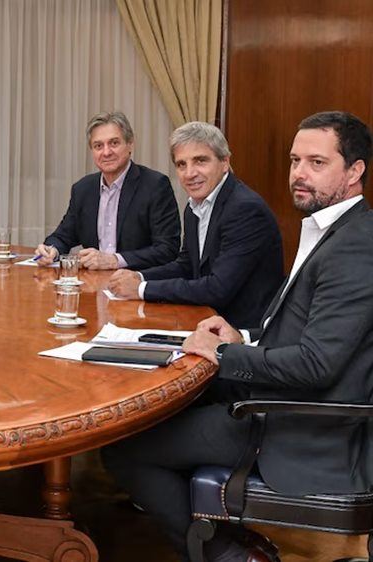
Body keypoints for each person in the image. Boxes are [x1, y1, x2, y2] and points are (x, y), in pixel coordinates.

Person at [103, 111, 373, 562]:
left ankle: (228, 555)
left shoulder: (355, 247)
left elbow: (316, 364)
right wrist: (243, 335)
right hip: (279, 398)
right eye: (295, 161)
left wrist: (225, 353)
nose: (299, 174)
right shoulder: (335, 230)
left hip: (296, 426)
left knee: (122, 446)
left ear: (354, 170)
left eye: (317, 163)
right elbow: (301, 329)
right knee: (161, 410)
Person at [107, 122, 284, 327]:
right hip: (204, 318)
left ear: (225, 162)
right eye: (181, 164)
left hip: (241, 331)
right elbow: (186, 266)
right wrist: (138, 276)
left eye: (200, 161)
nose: (189, 173)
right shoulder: (194, 206)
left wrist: (140, 289)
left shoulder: (245, 209)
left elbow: (218, 289)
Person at [34, 111, 180, 270]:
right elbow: (63, 236)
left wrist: (114, 260)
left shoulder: (155, 185)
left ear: (130, 144)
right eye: (98, 146)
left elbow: (167, 249)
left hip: (137, 280)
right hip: (93, 280)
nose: (106, 152)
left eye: (114, 143)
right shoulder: (83, 189)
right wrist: (51, 250)